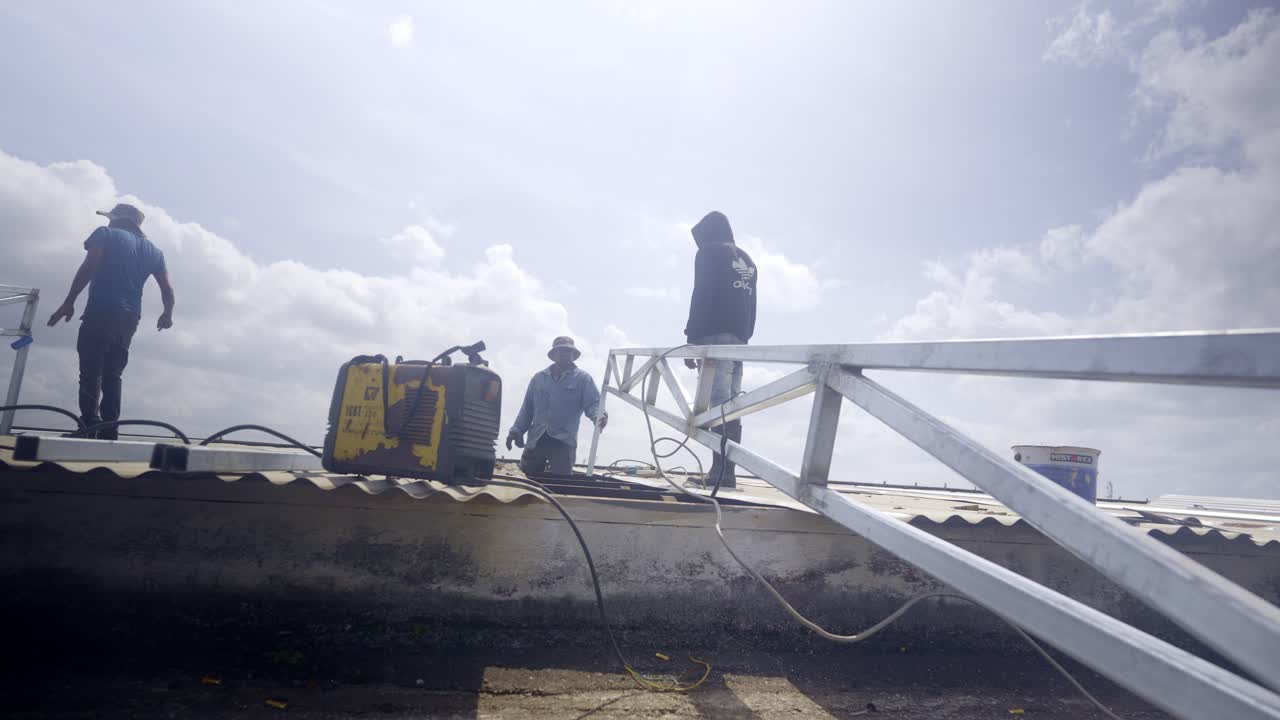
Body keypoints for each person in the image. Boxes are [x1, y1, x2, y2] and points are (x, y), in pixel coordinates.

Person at [47, 203, 174, 439]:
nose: (108, 222)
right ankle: (109, 430)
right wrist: (167, 314)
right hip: (129, 319)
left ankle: (88, 426)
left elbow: (90, 266)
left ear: (117, 220)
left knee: (91, 370)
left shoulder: (104, 234)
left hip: (101, 311)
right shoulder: (155, 251)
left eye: (111, 219)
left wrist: (69, 301)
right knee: (113, 373)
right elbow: (167, 288)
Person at [683, 211, 757, 489]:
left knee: (717, 405)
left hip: (715, 337)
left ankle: (720, 473)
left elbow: (701, 292)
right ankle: (726, 472)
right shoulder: (748, 258)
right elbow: (753, 306)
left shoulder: (708, 254)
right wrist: (745, 338)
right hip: (739, 340)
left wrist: (692, 338)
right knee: (732, 405)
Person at [506, 336, 607, 476]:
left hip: (563, 442)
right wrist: (516, 430)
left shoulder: (583, 379)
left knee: (561, 485)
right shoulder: (539, 378)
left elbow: (593, 403)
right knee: (526, 481)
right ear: (554, 355)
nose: (565, 354)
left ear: (573, 355)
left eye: (568, 351)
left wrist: (599, 415)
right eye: (561, 351)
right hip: (537, 440)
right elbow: (527, 409)